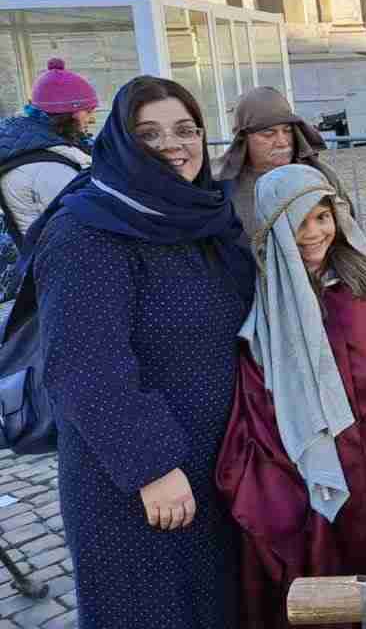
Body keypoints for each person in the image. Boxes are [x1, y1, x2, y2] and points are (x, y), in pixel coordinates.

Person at [27, 76, 257, 628]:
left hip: (214, 460)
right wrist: (152, 466)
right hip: (137, 480)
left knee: (214, 607)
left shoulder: (202, 216)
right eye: (149, 134)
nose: (173, 145)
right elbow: (84, 366)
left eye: (185, 129)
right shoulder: (88, 231)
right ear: (123, 144)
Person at [216, 163, 366, 629]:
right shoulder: (264, 304)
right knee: (331, 560)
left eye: (322, 217)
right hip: (318, 464)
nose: (314, 232)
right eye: (299, 222)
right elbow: (261, 393)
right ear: (274, 228)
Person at [213, 86, 346, 242]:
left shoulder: (320, 177)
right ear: (244, 138)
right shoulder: (220, 188)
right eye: (268, 133)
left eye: (288, 130)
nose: (283, 142)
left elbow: (350, 234)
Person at [0, 58, 97, 237]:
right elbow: (81, 228)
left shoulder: (31, 146)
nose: (92, 119)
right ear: (68, 114)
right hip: (56, 257)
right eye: (88, 111)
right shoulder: (49, 168)